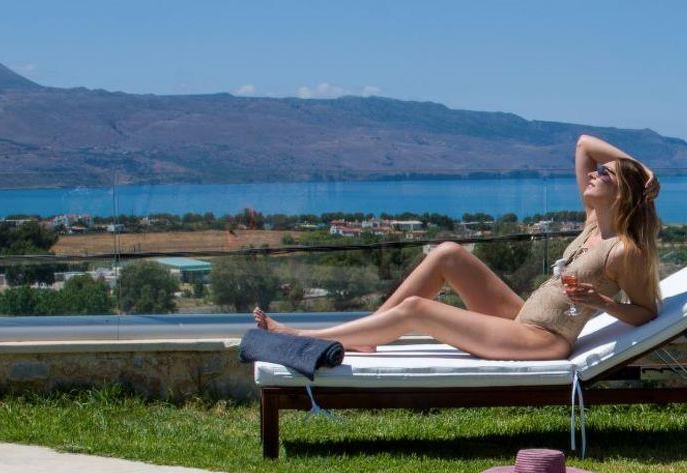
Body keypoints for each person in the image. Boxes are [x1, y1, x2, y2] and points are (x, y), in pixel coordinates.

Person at [253, 134, 662, 358]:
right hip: (521, 318)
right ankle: (369, 332)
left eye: (605, 175)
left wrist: (601, 302)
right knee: (448, 253)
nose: (592, 174)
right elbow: (584, 144)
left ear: (622, 195)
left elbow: (646, 311)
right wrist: (642, 168)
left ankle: (310, 337)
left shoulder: (623, 250)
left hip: (543, 339)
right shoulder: (592, 223)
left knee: (416, 309)